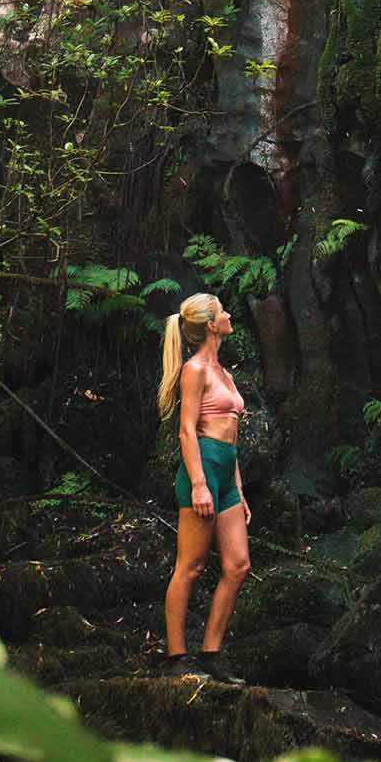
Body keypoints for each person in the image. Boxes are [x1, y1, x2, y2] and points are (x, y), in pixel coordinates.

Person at [155, 292, 252, 681]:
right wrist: (198, 485)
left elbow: (232, 439)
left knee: (238, 564)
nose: (230, 314)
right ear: (211, 325)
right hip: (203, 470)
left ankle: (211, 655)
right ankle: (177, 659)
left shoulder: (223, 372)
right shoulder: (195, 370)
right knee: (191, 566)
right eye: (223, 311)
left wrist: (239, 493)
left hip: (226, 472)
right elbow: (186, 431)